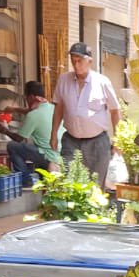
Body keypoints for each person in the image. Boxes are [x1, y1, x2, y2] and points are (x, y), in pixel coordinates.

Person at [50, 42, 120, 189]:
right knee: (68, 182)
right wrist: (54, 133)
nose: (76, 65)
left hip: (97, 141)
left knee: (96, 186)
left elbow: (114, 111)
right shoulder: (63, 80)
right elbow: (59, 108)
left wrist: (117, 138)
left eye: (79, 61)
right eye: (73, 61)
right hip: (71, 140)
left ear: (90, 61)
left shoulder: (102, 82)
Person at [4, 81, 61, 185]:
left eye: (26, 98)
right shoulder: (53, 108)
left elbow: (19, 139)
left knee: (12, 146)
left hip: (48, 156)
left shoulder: (34, 115)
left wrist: (4, 130)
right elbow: (30, 111)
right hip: (61, 155)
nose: (26, 101)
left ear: (30, 97)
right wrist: (15, 109)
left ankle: (25, 180)